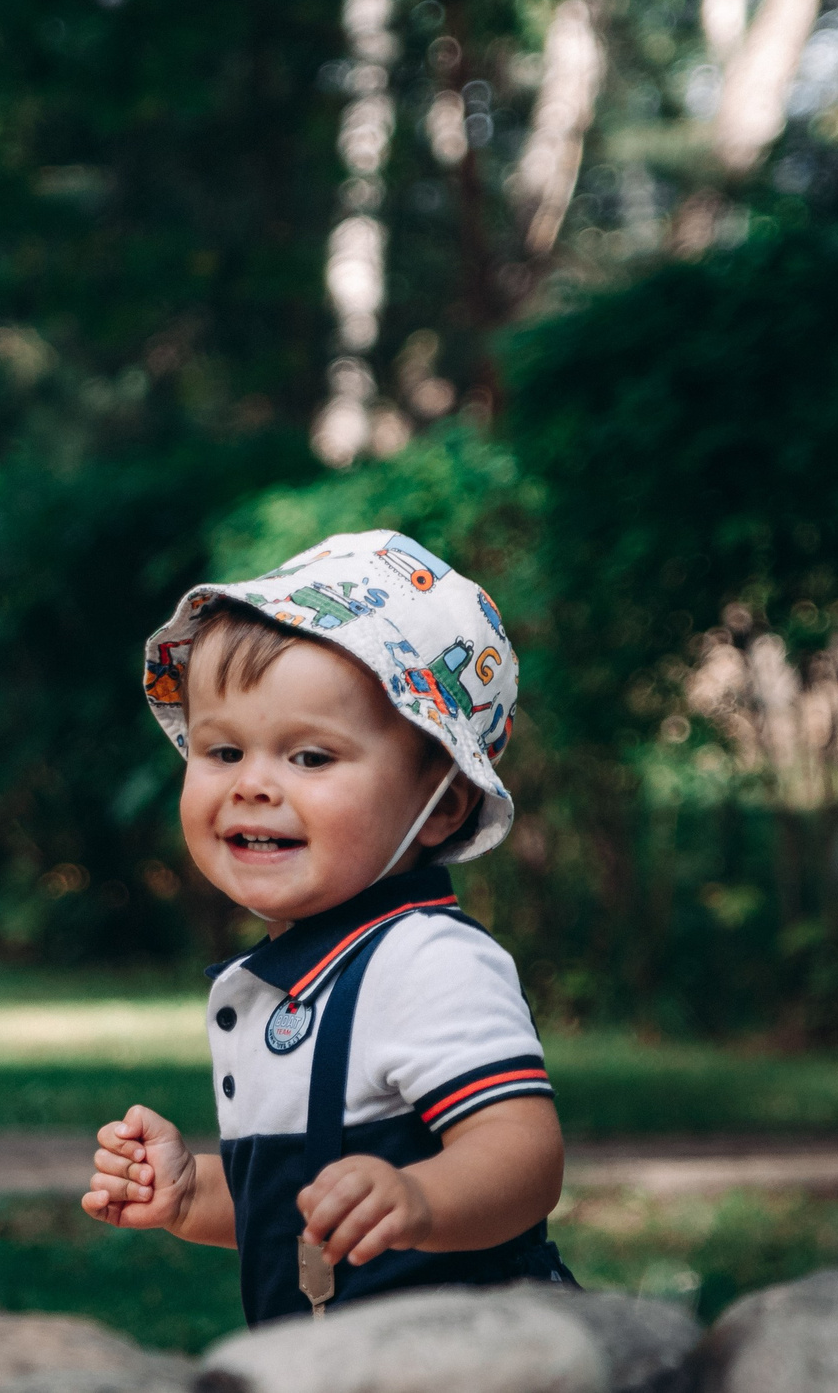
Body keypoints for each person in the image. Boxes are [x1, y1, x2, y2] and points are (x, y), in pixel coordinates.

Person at [80, 530, 570, 1326]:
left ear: (442, 804)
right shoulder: (293, 977)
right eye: (223, 750)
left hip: (465, 1354)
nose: (253, 784)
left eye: (309, 757)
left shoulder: (426, 958)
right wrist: (194, 1191)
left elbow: (523, 1155)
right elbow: (303, 1214)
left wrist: (421, 1196)